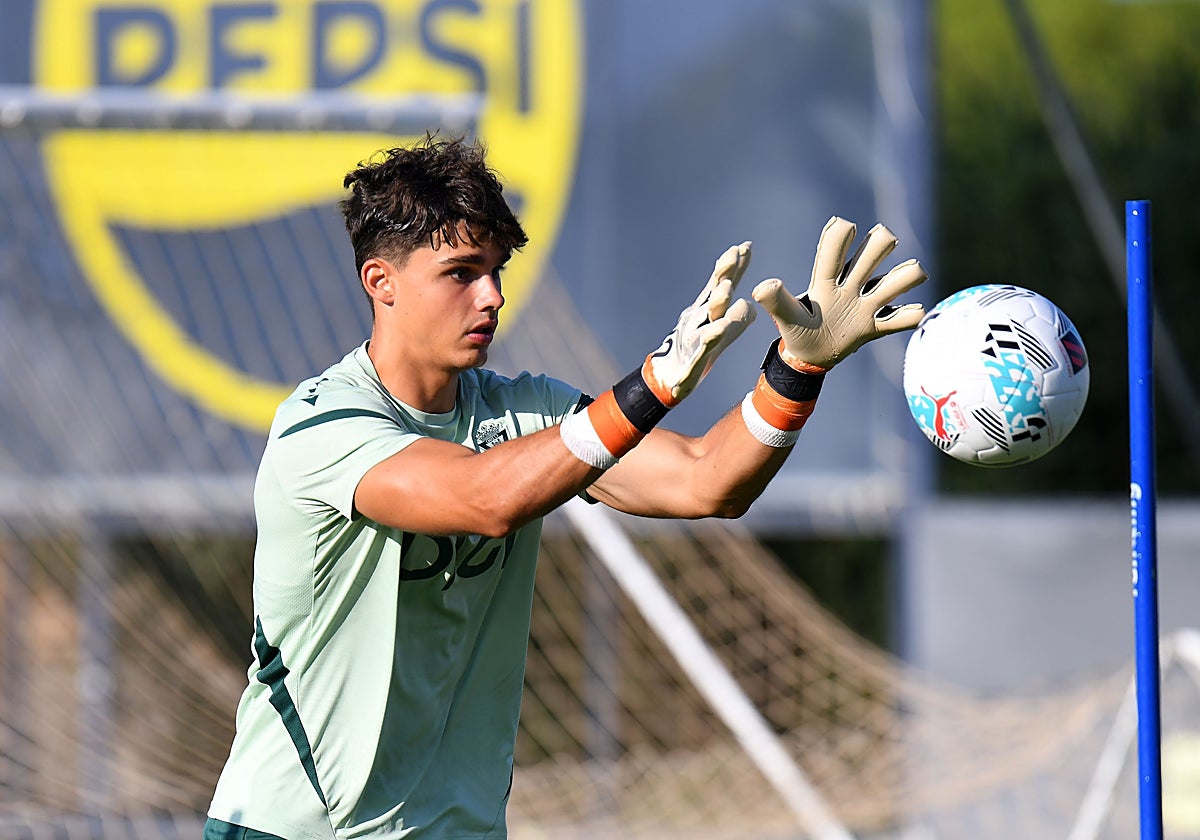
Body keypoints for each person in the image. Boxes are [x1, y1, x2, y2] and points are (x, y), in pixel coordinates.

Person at [204, 135, 927, 840]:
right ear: (380, 282)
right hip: (299, 828)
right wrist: (649, 388)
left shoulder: (520, 409)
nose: (490, 297)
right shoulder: (323, 423)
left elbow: (708, 482)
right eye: (461, 272)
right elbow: (483, 501)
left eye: (496, 271)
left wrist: (797, 372)